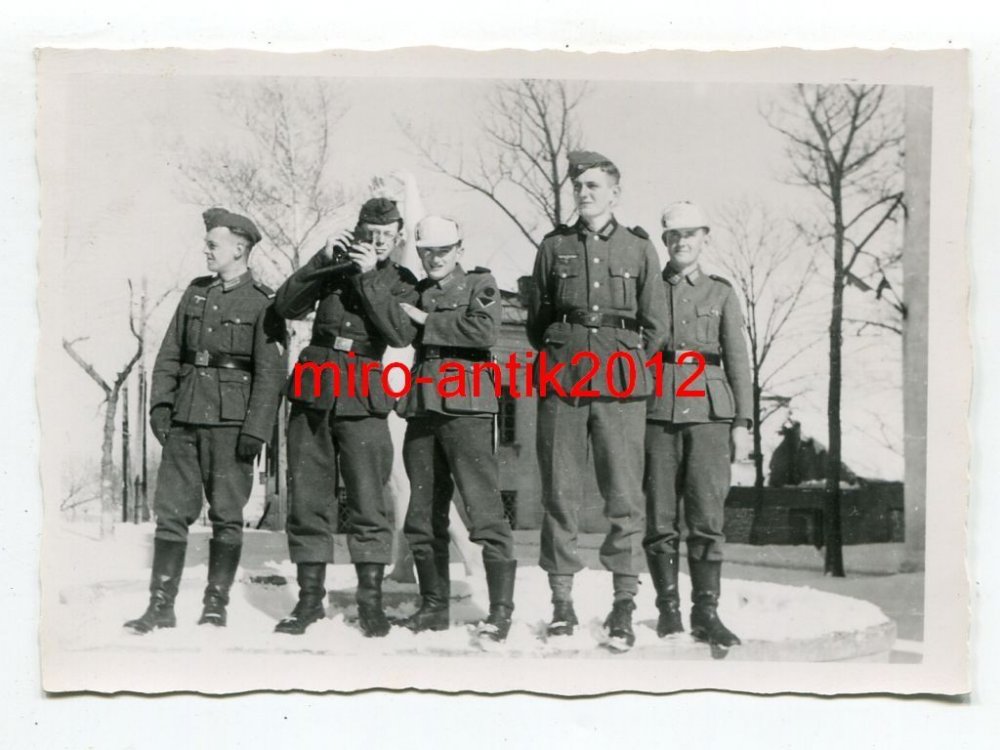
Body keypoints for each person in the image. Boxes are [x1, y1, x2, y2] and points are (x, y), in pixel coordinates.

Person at [527, 151, 669, 652]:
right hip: (563, 381)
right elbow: (537, 321)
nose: (584, 193)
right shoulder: (554, 246)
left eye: (593, 185)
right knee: (559, 494)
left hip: (621, 386)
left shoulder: (639, 247)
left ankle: (624, 604)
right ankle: (562, 604)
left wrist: (625, 362)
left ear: (615, 193)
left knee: (624, 497)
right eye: (578, 186)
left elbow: (655, 326)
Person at [124, 208, 285, 634]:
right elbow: (169, 355)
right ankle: (160, 606)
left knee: (227, 515)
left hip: (232, 426)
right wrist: (161, 407)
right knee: (171, 512)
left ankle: (216, 605)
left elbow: (271, 375)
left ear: (239, 248)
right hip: (186, 418)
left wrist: (256, 430)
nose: (206, 251)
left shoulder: (263, 302)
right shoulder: (196, 293)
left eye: (213, 245)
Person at [271, 198, 420, 637]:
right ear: (357, 232)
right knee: (308, 501)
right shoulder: (331, 268)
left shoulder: (401, 281)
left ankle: (370, 604)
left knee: (368, 503)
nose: (377, 241)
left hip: (363, 395)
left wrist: (369, 276)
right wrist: (320, 260)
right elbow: (286, 306)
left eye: (386, 235)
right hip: (314, 389)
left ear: (398, 238)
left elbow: (399, 334)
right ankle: (308, 602)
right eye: (369, 233)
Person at [396, 215, 517, 644]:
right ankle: (433, 607)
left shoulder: (480, 284)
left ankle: (500, 612)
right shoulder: (417, 291)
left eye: (443, 251)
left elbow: (483, 331)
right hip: (423, 407)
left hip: (467, 409)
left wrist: (425, 320)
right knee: (422, 514)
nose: (434, 258)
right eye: (426, 251)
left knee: (484, 511)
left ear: (459, 250)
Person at [643, 201, 752, 649]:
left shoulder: (720, 292)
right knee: (660, 519)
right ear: (665, 241)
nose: (682, 242)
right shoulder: (648, 289)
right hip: (657, 413)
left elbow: (738, 361)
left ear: (704, 238)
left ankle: (706, 612)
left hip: (709, 416)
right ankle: (668, 609)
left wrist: (742, 423)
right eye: (674, 235)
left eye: (690, 234)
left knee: (707, 518)